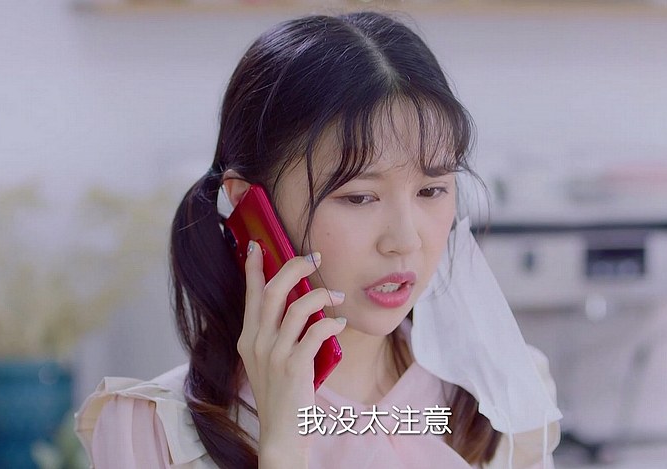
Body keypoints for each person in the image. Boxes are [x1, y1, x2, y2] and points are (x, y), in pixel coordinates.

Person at [75, 11, 560, 469]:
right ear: (250, 205)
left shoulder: (502, 395)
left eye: (431, 191)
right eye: (359, 197)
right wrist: (282, 447)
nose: (405, 241)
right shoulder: (151, 431)